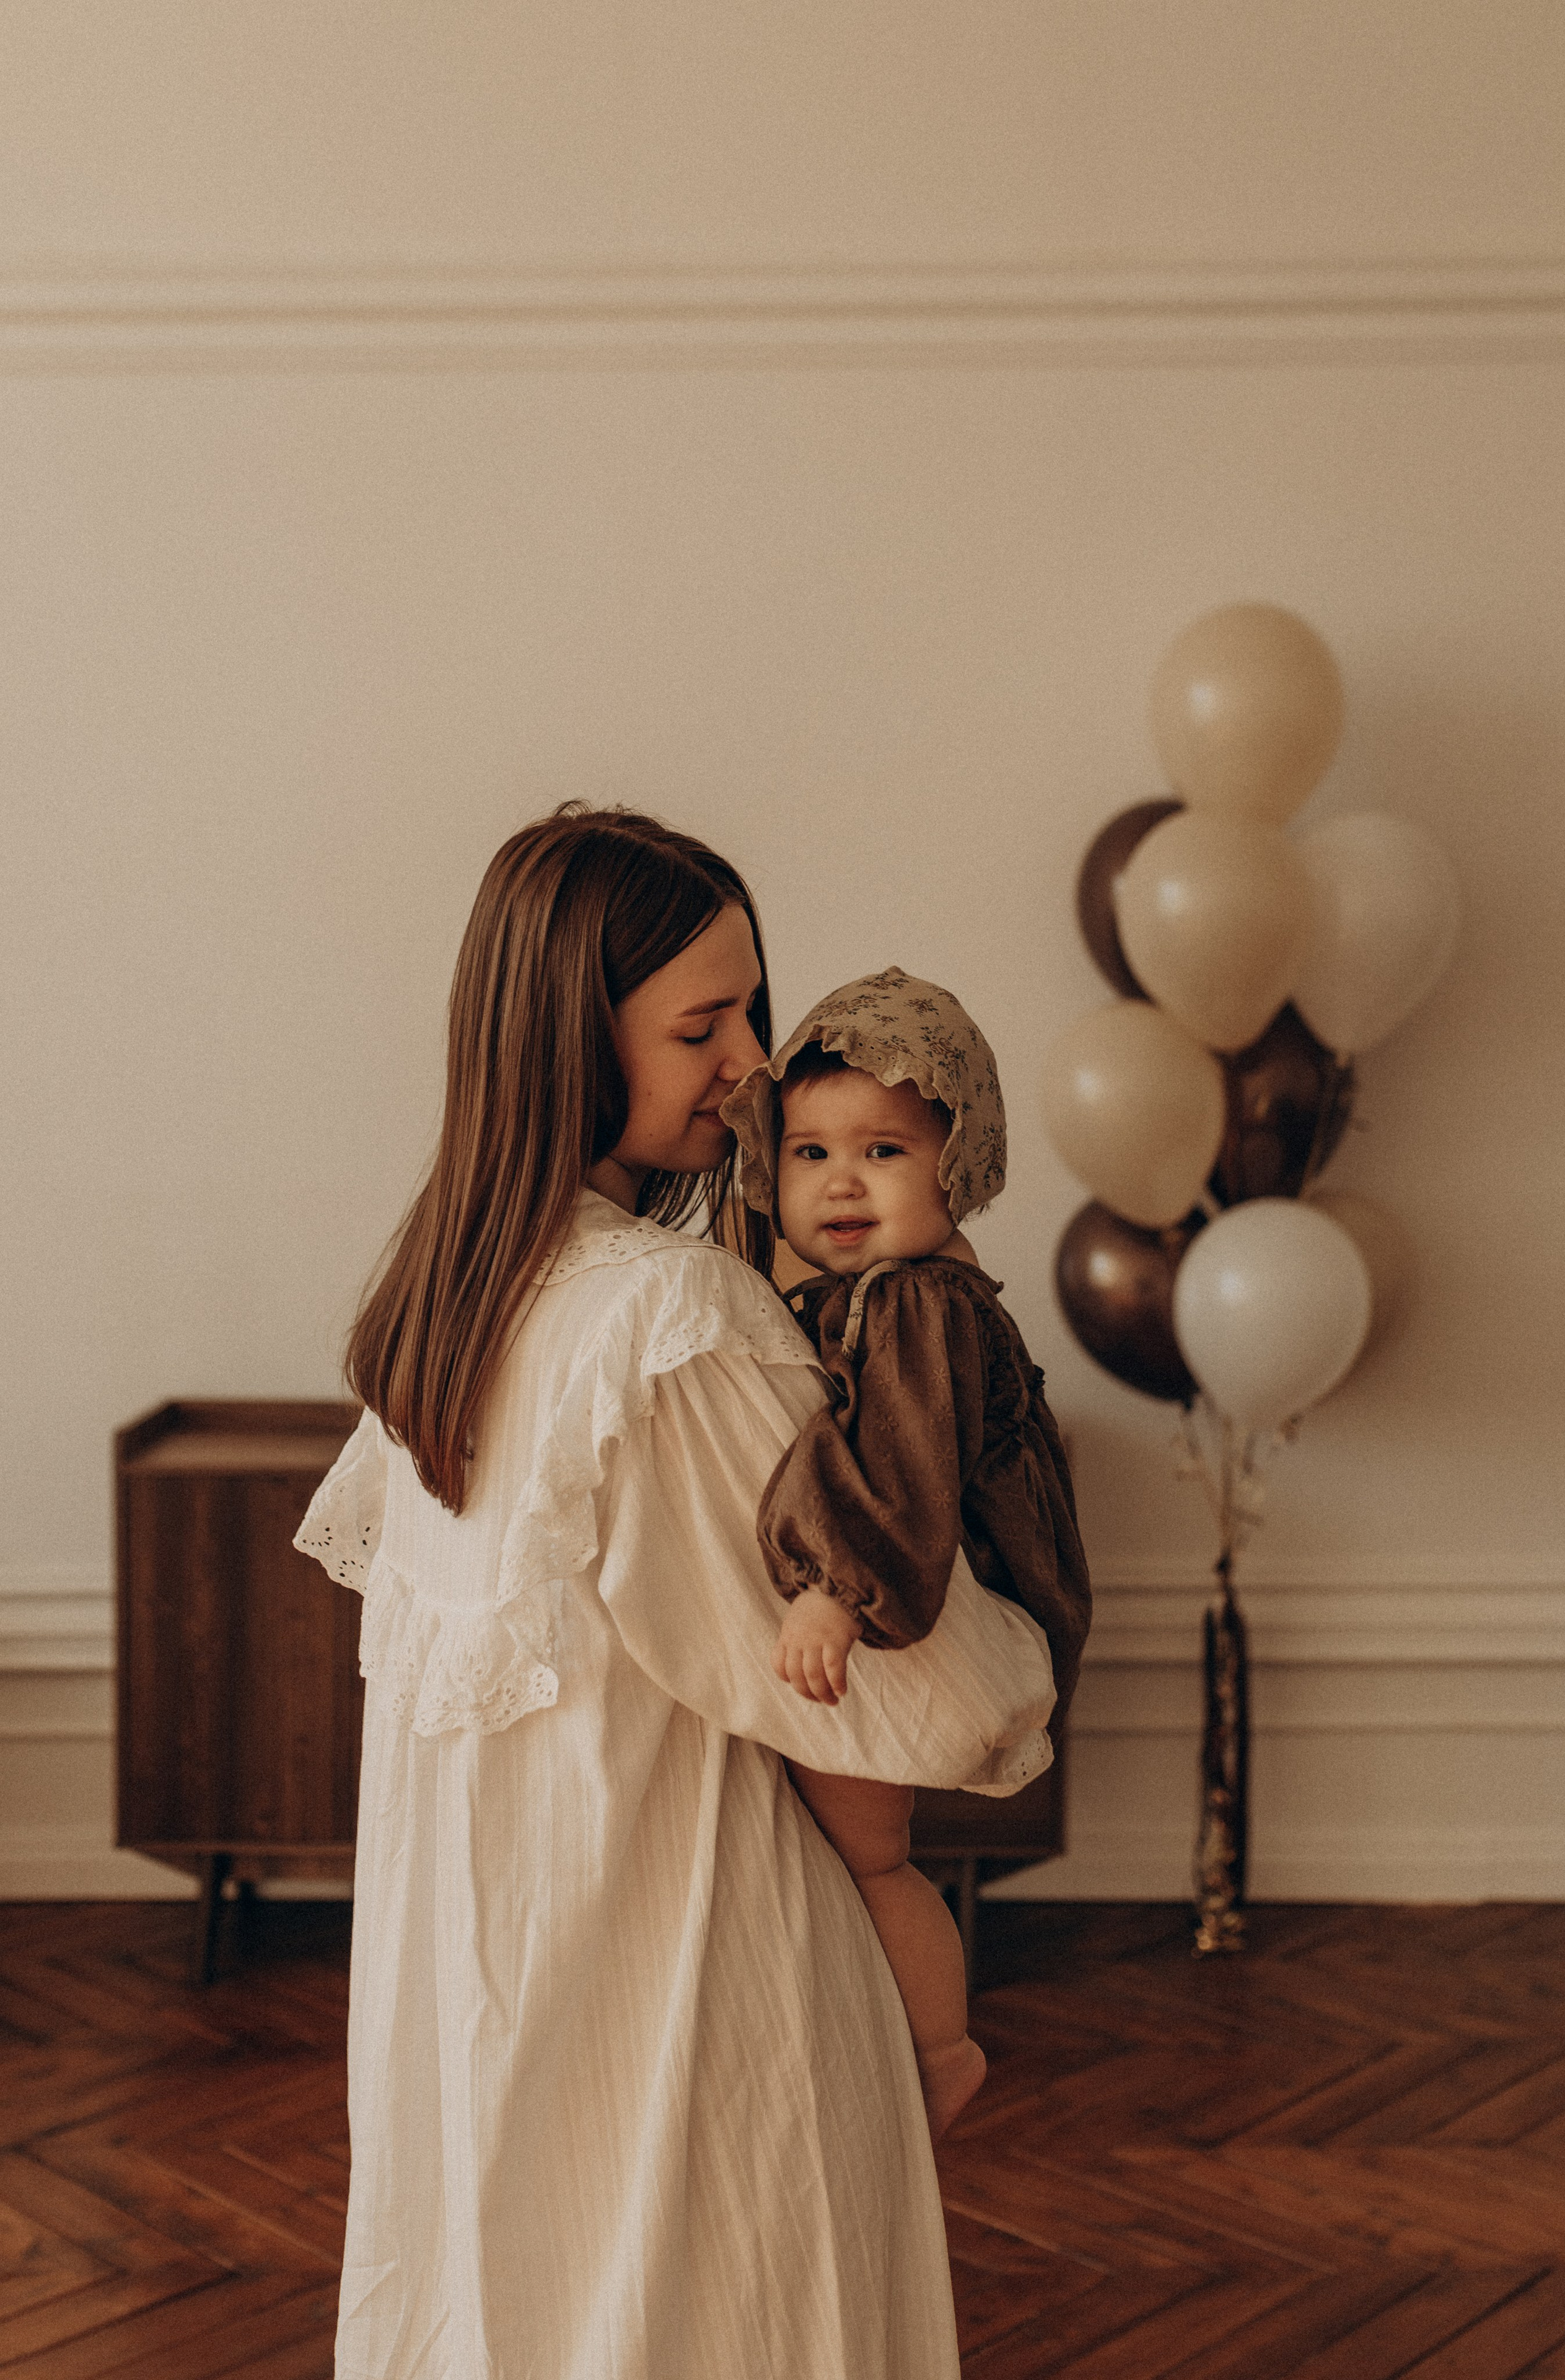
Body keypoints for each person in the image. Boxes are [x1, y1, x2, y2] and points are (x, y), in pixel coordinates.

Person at [293, 808, 1058, 2380]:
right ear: (573, 1038)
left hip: (482, 2028)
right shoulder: (666, 1317)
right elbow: (914, 1688)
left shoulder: (436, 1297)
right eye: (701, 1024)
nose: (751, 1061)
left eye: (752, 1009)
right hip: (691, 2012)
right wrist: (1017, 1609)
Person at [721, 968, 1092, 2145]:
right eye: (808, 1151)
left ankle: (941, 2052)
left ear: (957, 1165)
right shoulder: (866, 1290)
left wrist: (836, 1590)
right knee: (856, 1854)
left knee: (875, 1858)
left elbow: (900, 1467)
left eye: (884, 1151)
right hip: (932, 1597)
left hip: (923, 1597)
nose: (839, 1180)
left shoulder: (920, 1305)